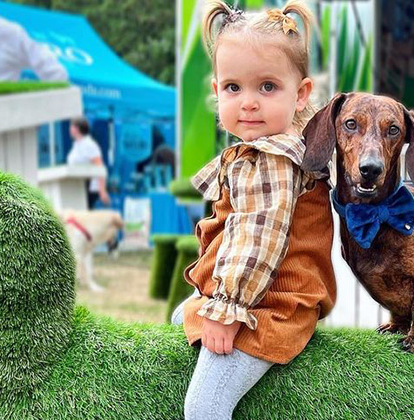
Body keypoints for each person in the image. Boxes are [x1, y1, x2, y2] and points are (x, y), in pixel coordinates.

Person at [171, 2, 336, 419]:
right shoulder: (258, 151)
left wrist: (227, 311)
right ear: (216, 90)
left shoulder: (274, 159)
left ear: (301, 95)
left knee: (205, 407)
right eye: (233, 88)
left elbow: (256, 241)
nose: (248, 103)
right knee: (180, 318)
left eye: (267, 87)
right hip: (260, 294)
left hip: (267, 305)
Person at [66, 117, 110, 208]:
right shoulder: (76, 145)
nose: (69, 129)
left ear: (77, 129)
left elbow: (99, 167)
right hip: (77, 187)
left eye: (71, 127)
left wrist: (102, 190)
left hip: (88, 188)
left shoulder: (89, 145)